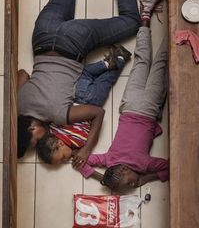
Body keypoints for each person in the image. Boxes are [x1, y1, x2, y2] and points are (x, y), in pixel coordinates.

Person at [17, 0, 142, 162]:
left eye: (35, 139)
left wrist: (86, 149)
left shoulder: (57, 115)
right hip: (42, 36)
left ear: (32, 128)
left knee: (131, 22)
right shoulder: (18, 104)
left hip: (74, 42)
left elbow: (97, 112)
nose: (41, 139)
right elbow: (22, 74)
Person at [35, 0, 166, 166]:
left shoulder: (78, 142)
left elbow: (94, 120)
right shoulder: (54, 127)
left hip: (92, 103)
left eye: (63, 158)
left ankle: (118, 60)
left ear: (59, 144)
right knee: (87, 74)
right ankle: (106, 63)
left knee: (107, 81)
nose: (66, 160)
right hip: (75, 92)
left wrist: (84, 150)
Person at [72, 10, 169, 192]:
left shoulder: (143, 165)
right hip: (129, 105)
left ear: (124, 170)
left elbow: (169, 167)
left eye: (129, 183)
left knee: (160, 64)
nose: (134, 184)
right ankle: (145, 18)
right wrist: (103, 178)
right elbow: (79, 161)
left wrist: (147, 178)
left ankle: (173, 29)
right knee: (142, 61)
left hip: (147, 109)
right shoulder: (108, 160)